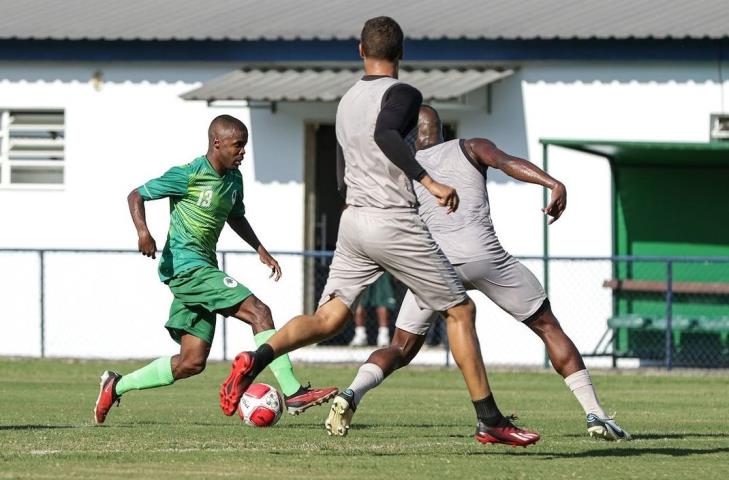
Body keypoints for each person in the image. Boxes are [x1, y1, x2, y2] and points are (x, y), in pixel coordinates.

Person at [218, 17, 539, 447]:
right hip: (392, 218)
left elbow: (341, 167)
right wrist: (430, 182)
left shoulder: (347, 99)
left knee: (329, 318)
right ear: (402, 52)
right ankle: (490, 420)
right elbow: (386, 132)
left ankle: (256, 358)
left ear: (360, 50)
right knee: (460, 311)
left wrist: (354, 207)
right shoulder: (404, 93)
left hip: (354, 220)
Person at [328, 105, 631, 441]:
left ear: (410, 138)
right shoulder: (469, 146)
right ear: (441, 129)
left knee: (400, 347)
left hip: (434, 265)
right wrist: (552, 183)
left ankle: (351, 393)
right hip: (485, 257)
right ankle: (596, 415)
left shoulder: (403, 170)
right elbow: (506, 162)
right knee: (547, 326)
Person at [93, 115, 337, 424]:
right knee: (259, 312)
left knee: (191, 362)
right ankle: (293, 392)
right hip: (186, 268)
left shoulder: (234, 180)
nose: (242, 153)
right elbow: (136, 195)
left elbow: (235, 215)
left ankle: (116, 385)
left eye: (245, 146)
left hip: (203, 267)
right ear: (217, 143)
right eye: (238, 146)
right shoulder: (189, 174)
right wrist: (143, 232)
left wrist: (259, 249)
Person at [351, 272, 396, 347]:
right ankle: (360, 335)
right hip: (364, 267)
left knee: (383, 301)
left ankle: (383, 337)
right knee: (359, 301)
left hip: (383, 267)